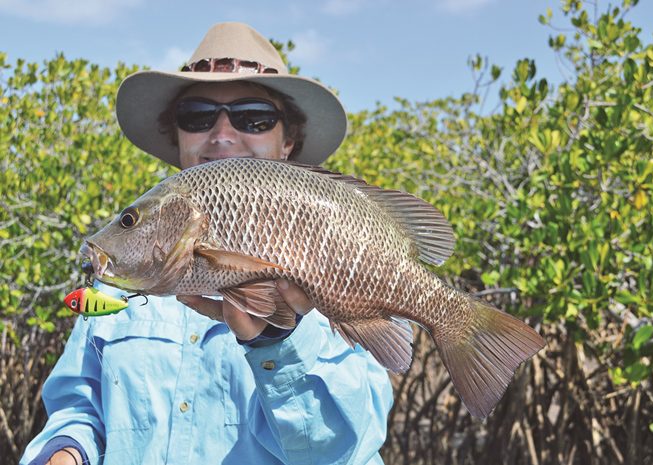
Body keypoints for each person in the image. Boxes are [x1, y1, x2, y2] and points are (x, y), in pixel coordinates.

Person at [21, 23, 393, 465]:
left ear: (288, 141)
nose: (221, 134)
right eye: (197, 116)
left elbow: (347, 449)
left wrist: (282, 342)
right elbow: (79, 407)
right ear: (177, 135)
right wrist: (66, 451)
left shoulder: (340, 250)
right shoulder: (117, 286)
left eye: (253, 116)